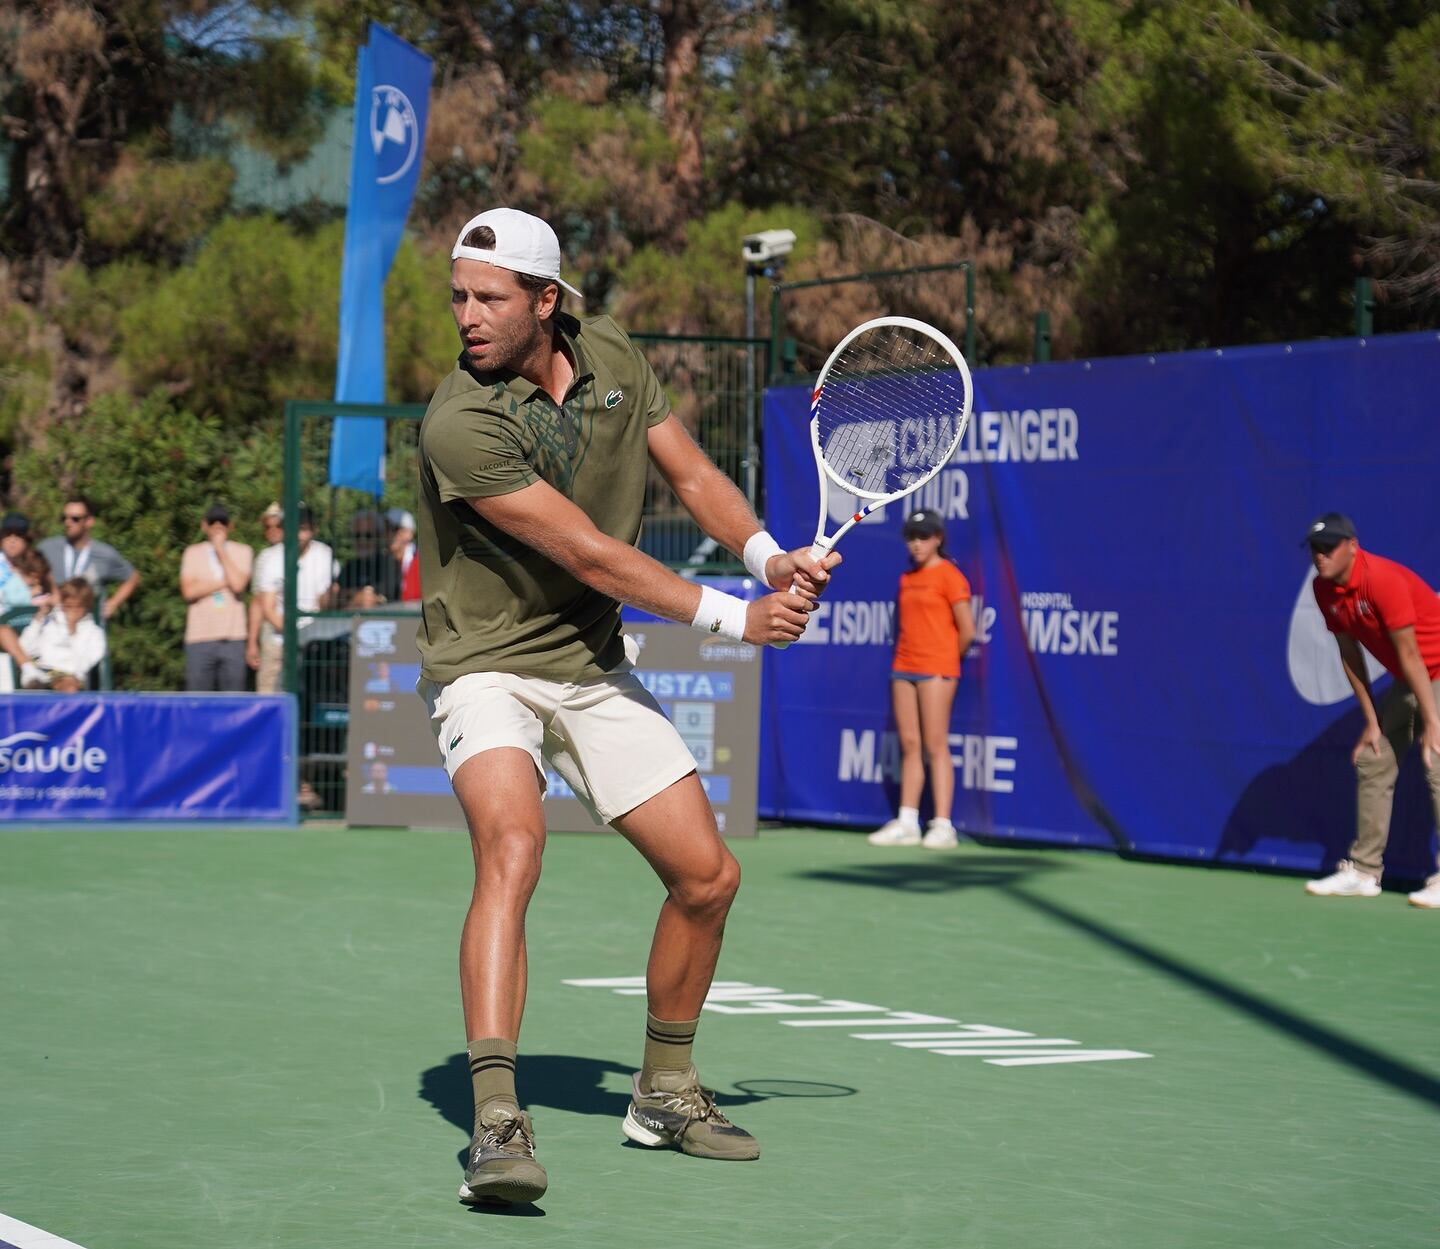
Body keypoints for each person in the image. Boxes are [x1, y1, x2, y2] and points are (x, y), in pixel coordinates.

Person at [416, 206, 837, 1206]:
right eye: (459, 297)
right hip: (484, 666)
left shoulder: (610, 354)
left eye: (489, 297)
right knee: (513, 846)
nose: (467, 315)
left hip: (588, 662)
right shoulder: (457, 419)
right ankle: (497, 1123)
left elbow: (688, 472)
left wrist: (769, 556)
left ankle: (666, 1090)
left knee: (708, 875)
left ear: (546, 302)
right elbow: (590, 553)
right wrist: (740, 620)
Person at [1301, 513, 1440, 908]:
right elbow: (1349, 653)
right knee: (1373, 757)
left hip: (1436, 667)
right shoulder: (1323, 589)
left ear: (1352, 547)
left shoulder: (1382, 580)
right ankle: (1364, 872)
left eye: (1329, 548)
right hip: (1410, 678)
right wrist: (1372, 721)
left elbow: (1411, 654)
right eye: (1315, 549)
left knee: (1437, 757)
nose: (1321, 556)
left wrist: (1432, 722)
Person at [868, 508, 976, 849]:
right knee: (911, 746)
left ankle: (943, 826)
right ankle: (907, 821)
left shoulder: (950, 576)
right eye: (912, 537)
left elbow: (967, 631)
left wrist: (944, 660)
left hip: (937, 669)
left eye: (924, 537)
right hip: (903, 667)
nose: (917, 544)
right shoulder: (906, 579)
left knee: (935, 745)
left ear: (938, 539)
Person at [248, 504, 338, 694]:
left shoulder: (325, 555)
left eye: (304, 529)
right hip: (279, 641)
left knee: (311, 697)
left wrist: (331, 596)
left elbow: (324, 604)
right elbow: (268, 607)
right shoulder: (272, 558)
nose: (299, 535)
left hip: (314, 643)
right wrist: (292, 634)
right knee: (269, 693)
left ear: (314, 530)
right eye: (295, 528)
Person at [179, 504, 253, 691]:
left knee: (232, 700)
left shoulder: (243, 551)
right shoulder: (192, 553)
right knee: (198, 699)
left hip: (233, 638)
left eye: (223, 522)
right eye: (213, 522)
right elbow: (188, 591)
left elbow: (238, 585)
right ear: (204, 526)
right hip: (199, 639)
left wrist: (220, 551)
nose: (217, 526)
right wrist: (223, 582)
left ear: (230, 526)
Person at [37, 496, 141, 622]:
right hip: (53, 626)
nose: (68, 523)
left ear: (89, 521)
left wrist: (113, 603)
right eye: (64, 518)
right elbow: (27, 573)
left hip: (88, 627)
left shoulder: (104, 554)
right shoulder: (47, 548)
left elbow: (133, 577)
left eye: (75, 519)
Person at [1, 577, 109, 692]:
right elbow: (24, 647)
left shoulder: (94, 632)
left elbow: (86, 661)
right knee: (3, 631)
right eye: (68, 606)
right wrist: (37, 622)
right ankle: (33, 680)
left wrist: (71, 630)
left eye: (78, 607)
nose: (72, 610)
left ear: (87, 607)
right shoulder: (50, 620)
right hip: (38, 671)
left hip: (69, 675)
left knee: (70, 687)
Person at [335, 509, 401, 609]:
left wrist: (349, 596)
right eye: (357, 536)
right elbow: (336, 597)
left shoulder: (390, 565)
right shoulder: (349, 566)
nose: (362, 541)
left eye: (368, 536)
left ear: (379, 536)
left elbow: (374, 599)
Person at [0, 512, 35, 609]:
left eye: (18, 535)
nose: (12, 540)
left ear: (27, 540)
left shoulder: (36, 565)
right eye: (7, 534)